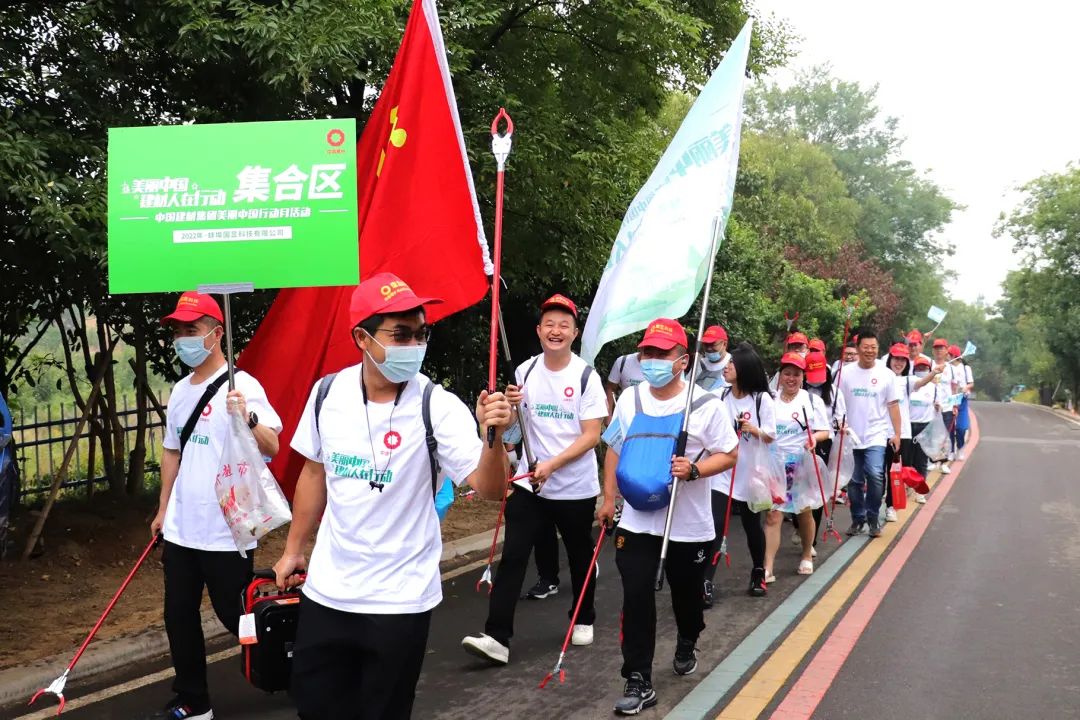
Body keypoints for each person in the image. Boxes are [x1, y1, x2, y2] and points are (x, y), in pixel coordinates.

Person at [273, 273, 513, 719]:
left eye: (421, 334)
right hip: (328, 593)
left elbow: (491, 489)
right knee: (315, 709)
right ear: (362, 338)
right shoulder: (327, 393)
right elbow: (314, 473)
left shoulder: (437, 405)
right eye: (401, 334)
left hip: (400, 600)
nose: (415, 345)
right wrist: (293, 550)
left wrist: (492, 439)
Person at [149, 292, 283, 720]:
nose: (183, 339)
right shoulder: (179, 391)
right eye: (178, 331)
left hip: (227, 530)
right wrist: (163, 509)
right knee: (178, 616)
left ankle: (298, 669)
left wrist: (247, 417)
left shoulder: (243, 386)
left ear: (216, 333)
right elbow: (172, 451)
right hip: (182, 528)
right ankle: (194, 700)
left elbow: (272, 446)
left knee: (236, 615)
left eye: (192, 330)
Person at [598, 318, 738, 715]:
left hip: (688, 525)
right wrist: (608, 498)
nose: (652, 359)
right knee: (636, 595)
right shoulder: (630, 399)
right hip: (637, 522)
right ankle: (638, 678)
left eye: (662, 353)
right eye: (647, 352)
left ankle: (688, 638)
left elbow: (729, 454)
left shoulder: (705, 405)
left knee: (686, 597)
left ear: (683, 360)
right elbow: (614, 448)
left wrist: (694, 470)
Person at [462, 294, 607, 665]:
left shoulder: (586, 377)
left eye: (564, 325)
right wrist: (507, 408)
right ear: (539, 330)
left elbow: (592, 435)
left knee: (579, 554)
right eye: (550, 324)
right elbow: (514, 425)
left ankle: (583, 616)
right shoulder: (524, 372)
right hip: (529, 482)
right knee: (513, 556)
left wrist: (554, 465)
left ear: (574, 333)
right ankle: (497, 637)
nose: (556, 331)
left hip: (573, 487)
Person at [713, 342, 776, 596]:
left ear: (745, 368)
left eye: (731, 363)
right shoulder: (721, 396)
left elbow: (771, 436)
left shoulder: (761, 400)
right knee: (715, 525)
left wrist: (753, 429)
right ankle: (705, 580)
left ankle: (758, 571)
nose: (726, 366)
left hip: (751, 475)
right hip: (722, 473)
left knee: (752, 526)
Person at [765, 353, 831, 577]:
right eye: (787, 374)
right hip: (775, 465)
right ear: (780, 375)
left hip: (801, 465)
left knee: (803, 512)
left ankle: (806, 554)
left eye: (796, 374)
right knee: (773, 515)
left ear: (803, 376)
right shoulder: (769, 399)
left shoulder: (811, 401)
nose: (791, 378)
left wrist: (814, 439)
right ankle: (767, 568)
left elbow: (824, 431)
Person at [835, 329, 902, 538]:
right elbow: (837, 403)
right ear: (858, 348)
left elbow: (893, 405)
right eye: (865, 347)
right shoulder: (845, 373)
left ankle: (873, 516)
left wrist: (897, 433)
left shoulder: (886, 375)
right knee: (854, 481)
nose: (870, 351)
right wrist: (839, 424)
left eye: (873, 347)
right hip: (851, 434)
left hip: (876, 434)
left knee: (875, 474)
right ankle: (858, 518)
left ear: (878, 349)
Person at [882, 343, 940, 522]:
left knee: (895, 472)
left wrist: (934, 372)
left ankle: (891, 506)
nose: (899, 363)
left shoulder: (907, 381)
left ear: (907, 363)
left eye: (903, 360)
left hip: (901, 434)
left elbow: (922, 382)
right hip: (880, 432)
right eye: (896, 359)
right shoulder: (881, 377)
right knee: (877, 473)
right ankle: (875, 505)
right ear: (889, 359)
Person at [908, 356, 941, 503]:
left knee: (921, 460)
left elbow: (938, 404)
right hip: (908, 426)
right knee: (908, 460)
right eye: (919, 367)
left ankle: (920, 491)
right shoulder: (909, 384)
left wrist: (938, 407)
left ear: (929, 369)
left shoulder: (933, 387)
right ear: (914, 369)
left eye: (924, 368)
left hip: (925, 427)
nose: (922, 370)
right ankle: (907, 485)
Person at [931, 338, 960, 473]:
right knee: (932, 433)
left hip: (947, 406)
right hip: (931, 407)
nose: (939, 350)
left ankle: (943, 463)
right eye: (936, 348)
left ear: (946, 350)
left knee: (945, 434)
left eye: (941, 348)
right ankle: (932, 460)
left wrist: (955, 405)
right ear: (933, 350)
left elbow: (954, 387)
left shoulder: (951, 368)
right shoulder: (929, 364)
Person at [606, 350, 645, 417]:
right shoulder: (623, 362)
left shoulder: (662, 365)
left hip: (653, 416)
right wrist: (608, 417)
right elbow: (610, 388)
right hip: (626, 415)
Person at [695, 325, 731, 391]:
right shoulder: (699, 364)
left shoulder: (733, 364)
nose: (709, 348)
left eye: (713, 344)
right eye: (706, 344)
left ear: (724, 344)